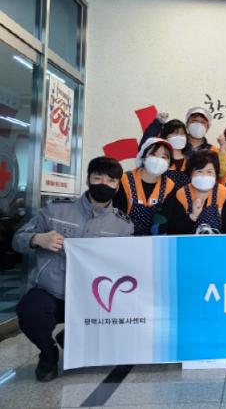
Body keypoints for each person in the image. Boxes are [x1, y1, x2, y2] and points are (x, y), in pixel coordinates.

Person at [12, 157, 134, 382]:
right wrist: (37, 239)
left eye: (110, 180)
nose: (103, 184)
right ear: (88, 179)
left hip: (94, 299)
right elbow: (17, 240)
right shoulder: (56, 209)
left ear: (118, 186)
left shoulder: (123, 226)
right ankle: (48, 354)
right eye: (97, 178)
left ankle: (70, 337)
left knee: (123, 319)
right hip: (52, 292)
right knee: (30, 312)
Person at [113, 137, 176, 235]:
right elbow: (116, 216)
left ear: (169, 164)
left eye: (164, 157)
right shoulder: (125, 180)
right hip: (124, 237)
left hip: (154, 241)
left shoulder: (170, 186)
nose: (158, 160)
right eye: (153, 154)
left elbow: (164, 221)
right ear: (143, 157)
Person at [165, 150, 226, 234]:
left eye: (209, 172)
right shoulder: (180, 195)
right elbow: (174, 231)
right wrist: (192, 216)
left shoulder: (225, 194)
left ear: (216, 174)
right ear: (190, 173)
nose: (204, 176)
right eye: (199, 171)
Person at [184, 107, 226, 179]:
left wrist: (223, 146)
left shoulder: (213, 151)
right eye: (194, 121)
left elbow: (221, 173)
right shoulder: (178, 147)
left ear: (207, 128)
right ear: (187, 124)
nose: (198, 124)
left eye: (203, 122)